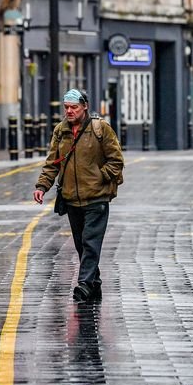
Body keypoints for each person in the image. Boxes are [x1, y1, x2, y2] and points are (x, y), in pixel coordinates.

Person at [33, 89, 124, 303]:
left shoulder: (101, 129)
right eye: (66, 107)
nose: (69, 111)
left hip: (97, 197)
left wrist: (99, 177)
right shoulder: (60, 131)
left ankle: (83, 284)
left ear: (84, 106)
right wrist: (42, 186)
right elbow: (52, 163)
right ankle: (94, 283)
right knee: (81, 244)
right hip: (72, 199)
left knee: (90, 242)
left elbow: (116, 160)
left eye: (74, 107)